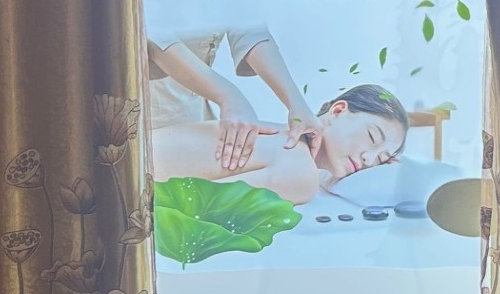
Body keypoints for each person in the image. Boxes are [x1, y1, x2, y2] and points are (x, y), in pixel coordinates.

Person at [151, 85, 410, 207]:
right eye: (372, 138)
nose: (368, 160)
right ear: (338, 111)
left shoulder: (279, 138)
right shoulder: (301, 172)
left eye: (380, 159)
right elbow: (190, 205)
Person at [145, 10, 317, 172]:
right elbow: (153, 34)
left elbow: (249, 29)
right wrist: (230, 97)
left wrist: (297, 105)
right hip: (147, 107)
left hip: (193, 114)